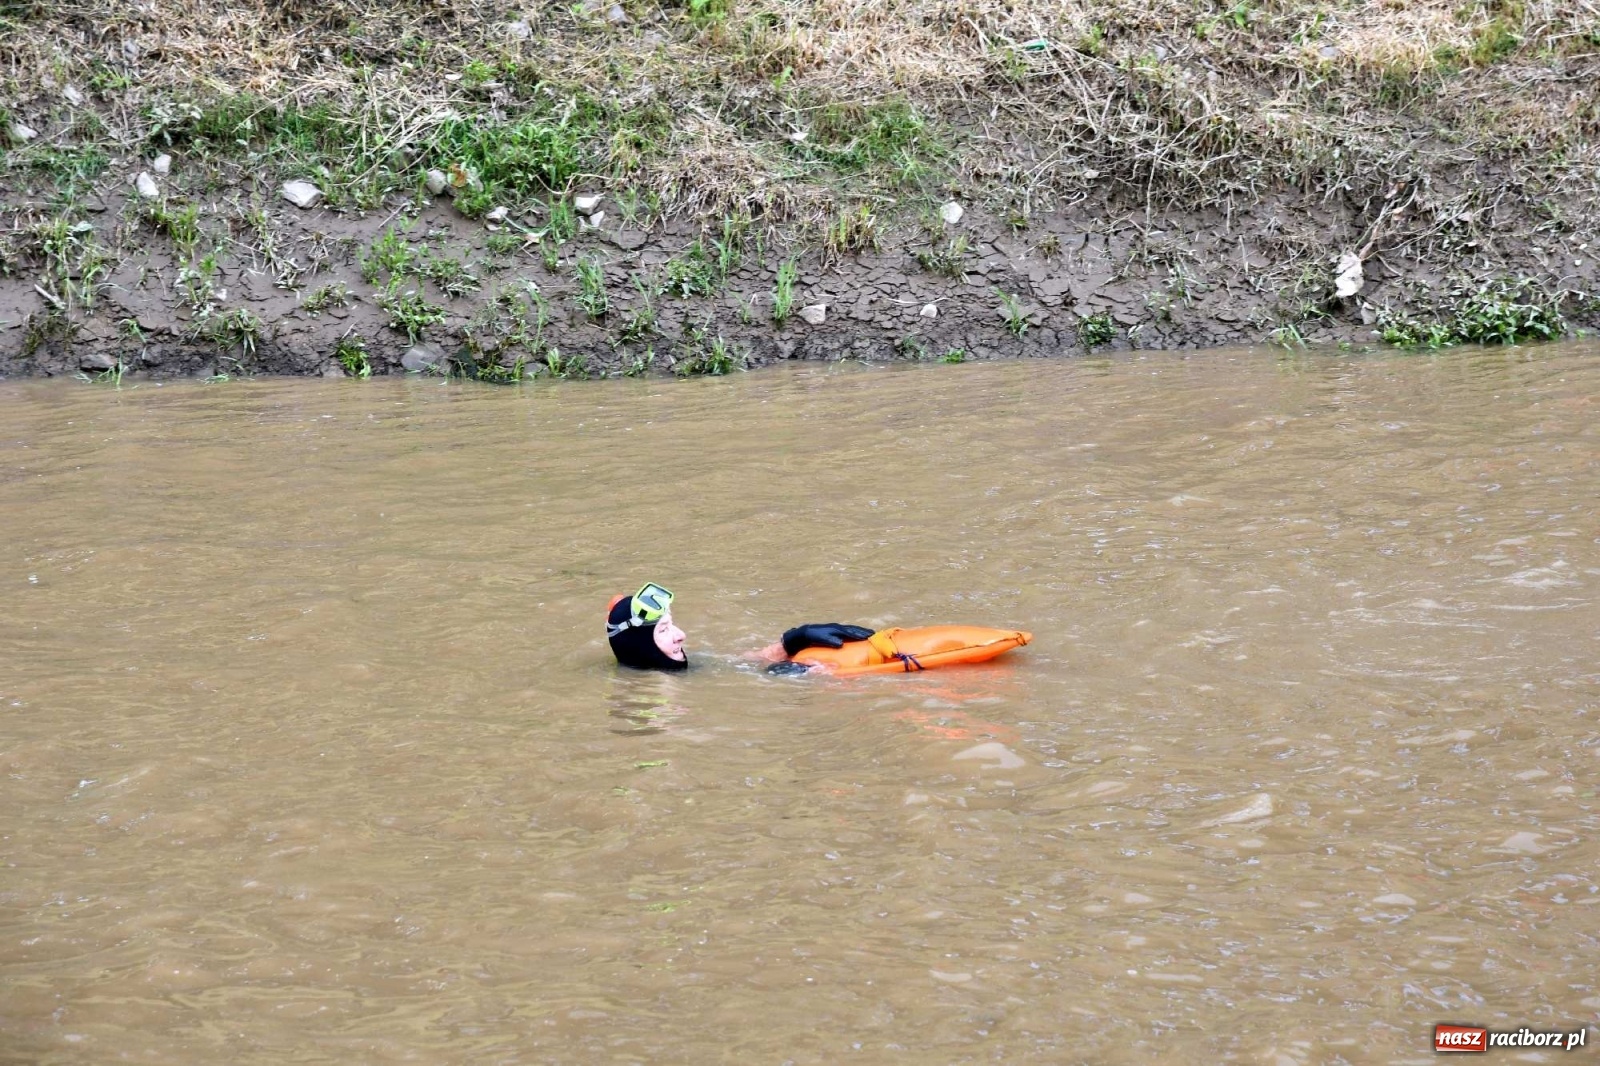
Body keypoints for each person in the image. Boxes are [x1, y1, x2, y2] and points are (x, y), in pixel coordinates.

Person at [605, 582, 871, 675]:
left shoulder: (675, 670)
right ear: (639, 646)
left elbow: (738, 665)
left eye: (672, 624)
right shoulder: (640, 699)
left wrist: (793, 641)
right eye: (663, 630)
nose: (681, 635)